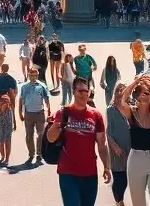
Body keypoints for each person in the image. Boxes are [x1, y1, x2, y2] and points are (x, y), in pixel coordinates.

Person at [48, 75, 112, 206]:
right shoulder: (63, 113)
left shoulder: (96, 115)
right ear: (74, 92)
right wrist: (56, 125)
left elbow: (101, 144)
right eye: (80, 91)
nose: (83, 94)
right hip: (68, 172)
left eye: (86, 91)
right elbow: (50, 138)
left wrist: (106, 166)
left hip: (89, 172)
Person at [117, 72, 150, 206]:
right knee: (138, 203)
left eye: (147, 93)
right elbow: (123, 99)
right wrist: (136, 82)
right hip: (136, 160)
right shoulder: (131, 113)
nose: (144, 96)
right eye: (141, 93)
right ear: (136, 95)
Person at [19, 64, 52, 164]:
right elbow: (21, 100)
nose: (33, 77)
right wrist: (20, 112)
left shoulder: (42, 86)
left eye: (34, 75)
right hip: (29, 113)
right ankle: (31, 153)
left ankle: (39, 153)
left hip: (39, 113)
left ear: (37, 75)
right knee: (29, 135)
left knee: (41, 134)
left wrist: (49, 111)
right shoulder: (25, 87)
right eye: (31, 75)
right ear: (29, 76)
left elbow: (46, 99)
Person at [107, 82, 131, 206]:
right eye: (118, 90)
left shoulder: (131, 108)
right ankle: (119, 201)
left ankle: (119, 199)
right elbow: (108, 132)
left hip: (130, 148)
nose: (120, 93)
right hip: (116, 148)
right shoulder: (111, 110)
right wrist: (115, 147)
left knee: (126, 178)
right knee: (118, 177)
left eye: (123, 90)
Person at [0, 90, 15, 165]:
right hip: (0, 128)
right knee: (0, 143)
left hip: (7, 129)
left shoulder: (9, 111)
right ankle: (2, 156)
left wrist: (12, 128)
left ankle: (7, 158)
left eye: (5, 103)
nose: (3, 104)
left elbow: (10, 122)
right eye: (1, 103)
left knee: (7, 143)